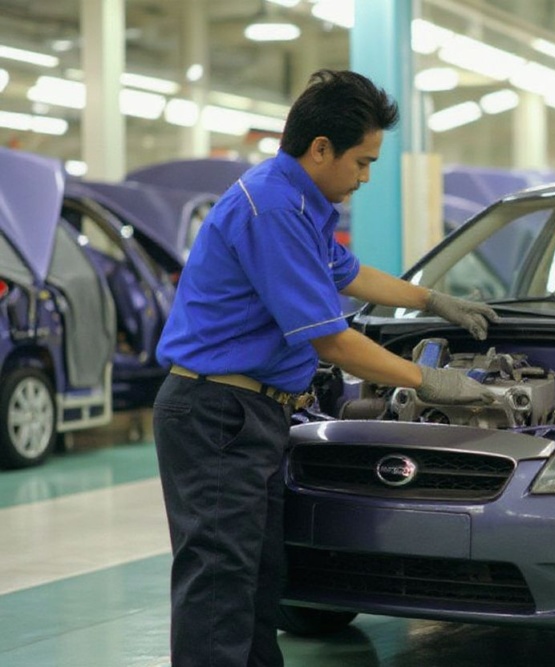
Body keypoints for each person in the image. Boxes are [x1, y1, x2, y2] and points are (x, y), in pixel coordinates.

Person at [152, 69, 499, 667]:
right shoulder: (273, 210)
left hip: (253, 413)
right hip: (216, 415)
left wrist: (432, 299)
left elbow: (350, 272)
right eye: (361, 162)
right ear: (320, 149)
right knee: (220, 583)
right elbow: (332, 344)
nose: (365, 177)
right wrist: (428, 379)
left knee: (260, 577)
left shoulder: (301, 203)